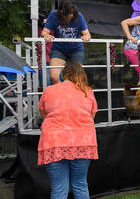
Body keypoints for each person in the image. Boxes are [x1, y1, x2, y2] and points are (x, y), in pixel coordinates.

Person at [38, 61, 98, 199]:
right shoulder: (87, 92)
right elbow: (92, 116)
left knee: (59, 187)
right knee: (80, 184)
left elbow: (43, 115)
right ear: (81, 75)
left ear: (63, 75)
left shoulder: (49, 90)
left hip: (54, 142)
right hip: (83, 142)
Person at [41, 1, 92, 84]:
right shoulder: (53, 15)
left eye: (71, 17)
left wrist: (86, 37)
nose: (69, 19)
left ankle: (71, 95)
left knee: (76, 78)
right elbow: (44, 32)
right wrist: (46, 36)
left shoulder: (79, 16)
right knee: (53, 77)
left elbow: (87, 34)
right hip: (59, 50)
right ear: (60, 13)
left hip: (76, 50)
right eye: (67, 17)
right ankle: (61, 94)